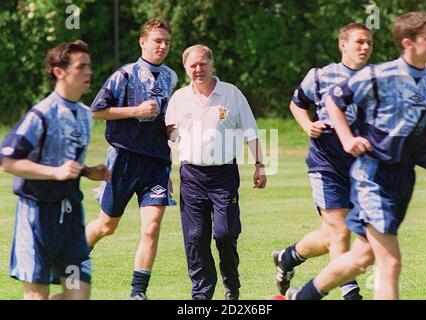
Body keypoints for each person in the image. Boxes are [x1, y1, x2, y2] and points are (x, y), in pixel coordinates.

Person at [286, 11, 426, 300]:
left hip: (403, 177)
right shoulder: (379, 75)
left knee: (362, 257)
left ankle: (303, 296)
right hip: (372, 175)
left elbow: (424, 127)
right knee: (390, 261)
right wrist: (347, 138)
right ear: (408, 43)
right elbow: (334, 100)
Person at [0, 40, 109, 300]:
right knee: (38, 295)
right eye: (81, 67)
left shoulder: (84, 114)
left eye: (89, 66)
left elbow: (67, 161)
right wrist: (54, 172)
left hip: (71, 219)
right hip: (37, 217)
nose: (88, 73)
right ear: (60, 72)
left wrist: (88, 171)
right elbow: (8, 162)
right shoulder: (41, 115)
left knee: (78, 294)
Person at [272, 23, 373, 300]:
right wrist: (307, 125)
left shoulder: (376, 80)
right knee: (341, 231)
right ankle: (351, 294)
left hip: (360, 166)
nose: (365, 47)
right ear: (343, 45)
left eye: (369, 43)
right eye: (359, 42)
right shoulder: (320, 76)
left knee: (329, 237)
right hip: (326, 163)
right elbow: (297, 103)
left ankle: (288, 257)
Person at [165, 44, 267, 300]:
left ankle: (231, 284)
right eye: (193, 65)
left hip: (224, 176)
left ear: (212, 64)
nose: (198, 69)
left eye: (203, 64)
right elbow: (169, 140)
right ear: (186, 68)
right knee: (196, 237)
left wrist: (259, 164)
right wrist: (165, 172)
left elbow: (250, 130)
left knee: (225, 233)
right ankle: (201, 294)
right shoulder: (179, 99)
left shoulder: (231, 94)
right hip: (191, 176)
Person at [86, 19, 177, 300]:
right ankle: (71, 254)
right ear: (143, 42)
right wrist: (135, 109)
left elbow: (164, 121)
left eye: (166, 42)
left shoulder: (171, 77)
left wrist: (171, 133)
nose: (162, 46)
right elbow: (97, 111)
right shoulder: (124, 75)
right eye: (157, 41)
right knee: (107, 226)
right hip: (124, 160)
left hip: (157, 165)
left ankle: (138, 293)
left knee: (151, 227)